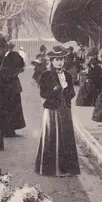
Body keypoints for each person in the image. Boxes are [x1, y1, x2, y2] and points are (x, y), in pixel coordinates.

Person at [35, 46, 80, 177]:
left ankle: (66, 168)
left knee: (66, 136)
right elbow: (43, 94)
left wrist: (66, 91)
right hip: (52, 110)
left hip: (65, 109)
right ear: (52, 61)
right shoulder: (46, 75)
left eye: (62, 59)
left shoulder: (67, 76)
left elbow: (72, 93)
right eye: (57, 59)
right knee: (51, 136)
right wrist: (54, 90)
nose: (60, 62)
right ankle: (50, 169)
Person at [0, 36, 26, 137]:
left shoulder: (14, 55)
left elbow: (20, 67)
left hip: (12, 87)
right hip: (4, 87)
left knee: (12, 108)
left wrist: (6, 73)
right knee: (5, 108)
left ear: (5, 48)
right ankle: (6, 128)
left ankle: (10, 129)